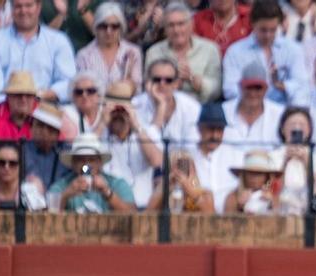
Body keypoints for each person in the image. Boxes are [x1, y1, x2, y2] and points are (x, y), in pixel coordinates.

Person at [222, 0, 309, 107]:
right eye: (263, 30)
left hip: (286, 113)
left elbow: (303, 86)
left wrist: (283, 86)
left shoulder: (293, 49)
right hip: (249, 110)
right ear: (253, 24)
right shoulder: (235, 52)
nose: (268, 35)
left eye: (273, 30)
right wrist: (256, 94)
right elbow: (230, 90)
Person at [0, 0, 74, 105]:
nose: (23, 11)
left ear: (38, 7)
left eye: (28, 5)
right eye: (18, 6)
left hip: (46, 109)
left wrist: (39, 97)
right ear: (12, 9)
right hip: (5, 112)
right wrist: (17, 105)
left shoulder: (58, 40)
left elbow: (69, 82)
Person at [101, 80, 163, 208]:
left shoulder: (146, 132)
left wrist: (136, 126)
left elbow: (157, 162)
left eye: (122, 110)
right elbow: (84, 156)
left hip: (142, 206)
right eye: (114, 111)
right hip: (107, 207)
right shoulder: (98, 134)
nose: (118, 116)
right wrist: (103, 123)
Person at [146, 2, 223, 104]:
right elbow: (148, 86)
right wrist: (170, 83)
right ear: (165, 29)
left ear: (191, 24)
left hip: (201, 109)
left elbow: (216, 89)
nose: (176, 30)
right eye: (171, 25)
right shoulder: (154, 52)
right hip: (162, 105)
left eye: (181, 24)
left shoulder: (209, 49)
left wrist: (193, 80)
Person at [47, 132, 136, 212]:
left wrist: (107, 192)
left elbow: (133, 214)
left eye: (91, 160)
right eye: (81, 160)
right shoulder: (62, 185)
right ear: (73, 163)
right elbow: (48, 215)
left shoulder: (116, 183)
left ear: (100, 162)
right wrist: (66, 195)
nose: (86, 165)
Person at [134, 58, 203, 150]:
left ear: (176, 84)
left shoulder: (192, 107)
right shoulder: (135, 106)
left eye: (168, 80)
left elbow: (193, 149)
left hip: (181, 161)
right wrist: (161, 107)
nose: (162, 84)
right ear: (148, 82)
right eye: (156, 79)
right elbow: (141, 150)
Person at [74, 3, 143, 93]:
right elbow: (82, 89)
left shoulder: (133, 52)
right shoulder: (84, 55)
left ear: (121, 28)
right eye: (103, 26)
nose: (108, 31)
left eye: (114, 26)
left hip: (125, 105)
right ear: (96, 27)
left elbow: (137, 89)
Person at [222, 61, 286, 151]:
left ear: (266, 89)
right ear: (240, 87)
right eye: (248, 87)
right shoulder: (223, 111)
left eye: (258, 88)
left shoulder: (280, 114)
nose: (252, 93)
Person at [190, 101, 241, 209]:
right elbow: (190, 185)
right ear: (199, 129)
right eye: (210, 129)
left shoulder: (236, 156)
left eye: (219, 130)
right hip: (198, 213)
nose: (215, 135)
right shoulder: (188, 157)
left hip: (231, 216)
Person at [275, 106, 316, 214]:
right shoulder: (273, 156)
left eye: (302, 125)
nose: (297, 128)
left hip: (308, 212)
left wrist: (307, 164)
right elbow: (269, 188)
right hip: (279, 211)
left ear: (309, 130)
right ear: (282, 128)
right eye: (292, 125)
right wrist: (285, 163)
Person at [147, 147, 216, 213]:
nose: (181, 171)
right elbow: (147, 214)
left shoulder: (205, 194)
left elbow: (211, 215)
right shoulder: (162, 192)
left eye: (185, 166)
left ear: (193, 170)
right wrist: (166, 185)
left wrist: (190, 190)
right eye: (178, 166)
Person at [22, 100, 69, 191]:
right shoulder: (22, 149)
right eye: (40, 126)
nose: (44, 132)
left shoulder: (66, 152)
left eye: (50, 128)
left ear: (57, 134)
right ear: (31, 128)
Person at [0, 139, 46, 210]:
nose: (6, 167)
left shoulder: (31, 183)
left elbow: (29, 207)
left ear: (21, 165)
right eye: (1, 162)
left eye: (13, 163)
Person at [0, 69, 35, 146]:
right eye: (18, 94)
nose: (23, 99)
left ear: (34, 98)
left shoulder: (44, 118)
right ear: (8, 97)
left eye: (28, 95)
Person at [223, 148, 281, 213]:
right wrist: (240, 207)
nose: (254, 178)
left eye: (259, 174)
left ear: (266, 176)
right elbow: (225, 221)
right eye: (251, 173)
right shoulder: (232, 197)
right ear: (244, 175)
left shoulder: (274, 197)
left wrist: (271, 204)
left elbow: (282, 218)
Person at [68, 71, 104, 137]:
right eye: (79, 92)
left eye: (90, 91)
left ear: (99, 94)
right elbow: (84, 145)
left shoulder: (106, 111)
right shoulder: (68, 114)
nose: (84, 95)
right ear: (73, 96)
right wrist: (103, 123)